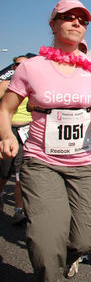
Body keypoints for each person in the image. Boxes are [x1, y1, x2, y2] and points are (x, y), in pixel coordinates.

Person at [0, 0, 91, 281]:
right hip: (41, 161)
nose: (76, 22)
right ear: (53, 23)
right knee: (46, 240)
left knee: (84, 239)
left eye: (82, 20)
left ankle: (66, 259)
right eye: (68, 17)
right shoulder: (31, 67)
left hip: (85, 162)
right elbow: (6, 109)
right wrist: (5, 136)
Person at [0, 56, 29, 225]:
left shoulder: (32, 85)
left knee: (21, 173)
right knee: (4, 172)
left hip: (27, 130)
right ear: (13, 66)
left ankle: (19, 210)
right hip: (8, 130)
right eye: (18, 64)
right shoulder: (5, 85)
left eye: (25, 64)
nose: (22, 66)